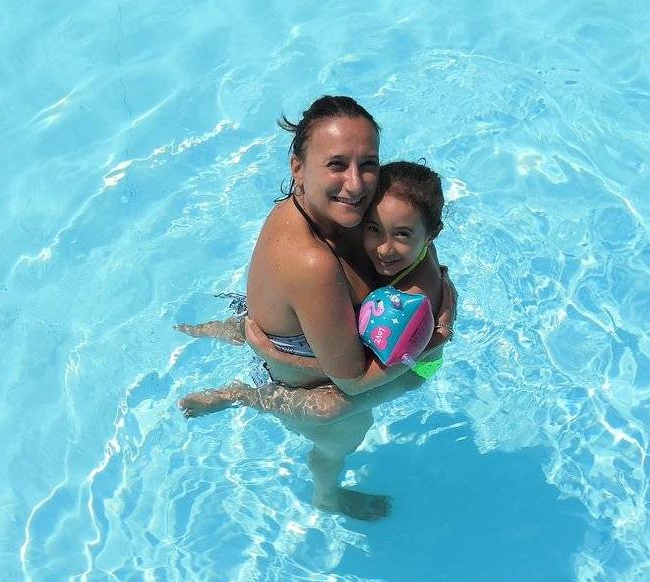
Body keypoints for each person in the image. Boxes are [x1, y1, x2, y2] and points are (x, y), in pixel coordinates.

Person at [176, 96, 454, 519]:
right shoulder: (313, 263)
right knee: (340, 432)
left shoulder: (326, 209)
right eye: (337, 164)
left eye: (368, 164)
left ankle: (232, 329)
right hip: (305, 387)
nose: (356, 184)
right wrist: (433, 342)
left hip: (297, 331)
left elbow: (416, 239)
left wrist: (444, 290)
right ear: (297, 167)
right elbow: (354, 382)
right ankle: (326, 493)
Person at [180, 161, 447, 422]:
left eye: (402, 235)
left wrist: (280, 358)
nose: (384, 248)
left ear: (430, 235)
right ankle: (236, 328)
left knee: (327, 409)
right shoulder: (409, 231)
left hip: (408, 364)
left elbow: (356, 377)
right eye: (374, 228)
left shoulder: (410, 302)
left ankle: (241, 396)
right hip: (390, 334)